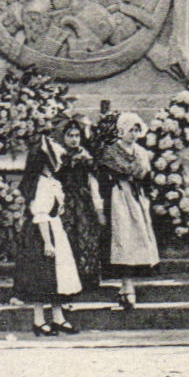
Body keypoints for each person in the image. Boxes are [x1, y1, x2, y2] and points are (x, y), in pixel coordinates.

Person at [13, 135, 82, 335]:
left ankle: (58, 317)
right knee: (43, 277)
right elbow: (40, 213)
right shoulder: (41, 183)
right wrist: (47, 242)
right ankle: (39, 319)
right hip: (42, 231)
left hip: (54, 228)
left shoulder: (51, 181)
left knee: (58, 277)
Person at [98, 112, 159, 310]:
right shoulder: (111, 152)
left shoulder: (140, 152)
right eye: (129, 130)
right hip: (119, 198)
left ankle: (127, 287)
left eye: (136, 130)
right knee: (123, 238)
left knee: (138, 239)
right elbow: (107, 176)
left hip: (137, 198)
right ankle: (126, 285)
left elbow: (145, 175)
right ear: (120, 131)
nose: (133, 134)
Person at [54, 119, 105, 291]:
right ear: (64, 137)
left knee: (86, 238)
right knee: (67, 238)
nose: (74, 139)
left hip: (83, 204)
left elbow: (93, 185)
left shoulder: (86, 158)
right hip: (65, 202)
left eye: (77, 136)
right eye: (70, 136)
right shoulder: (58, 157)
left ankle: (87, 280)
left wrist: (99, 209)